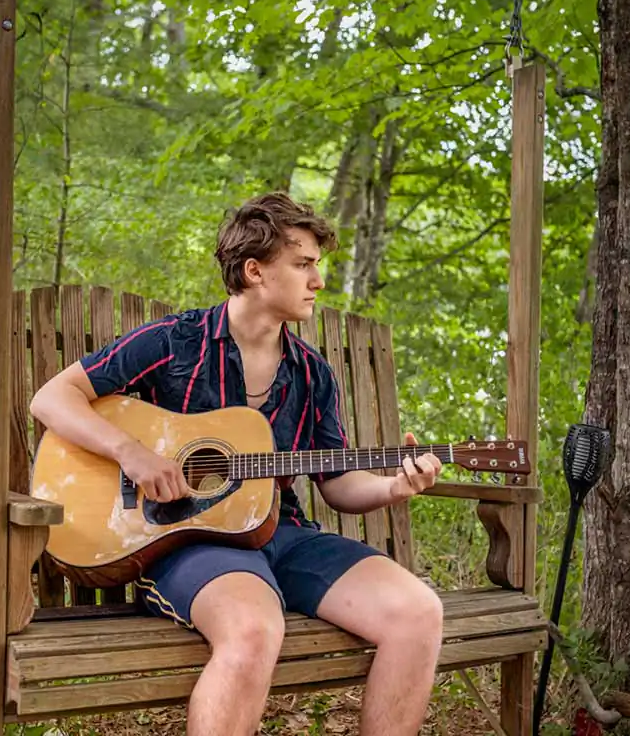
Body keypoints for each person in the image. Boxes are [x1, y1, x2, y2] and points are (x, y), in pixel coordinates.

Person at [29, 192, 444, 736]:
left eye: (317, 265)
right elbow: (52, 398)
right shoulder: (175, 342)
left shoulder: (312, 372)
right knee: (252, 629)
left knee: (418, 613)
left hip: (283, 533)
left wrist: (395, 487)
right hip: (187, 543)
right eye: (303, 264)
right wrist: (132, 453)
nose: (318, 280)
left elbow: (338, 482)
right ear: (254, 271)